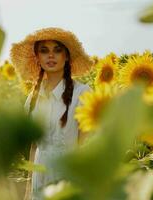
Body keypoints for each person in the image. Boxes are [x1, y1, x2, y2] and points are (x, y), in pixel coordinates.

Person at [10, 27, 93, 200]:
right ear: (37, 57)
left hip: (68, 181)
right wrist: (27, 191)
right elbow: (34, 147)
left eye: (57, 50)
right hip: (38, 183)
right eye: (44, 51)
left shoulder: (82, 94)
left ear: (67, 56)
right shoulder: (32, 99)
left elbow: (86, 147)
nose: (50, 56)